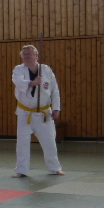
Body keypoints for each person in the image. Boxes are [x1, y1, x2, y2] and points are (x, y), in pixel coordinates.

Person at [12, 44, 64, 178]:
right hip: (25, 113)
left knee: (49, 141)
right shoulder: (18, 69)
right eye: (24, 55)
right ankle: (21, 170)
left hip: (44, 112)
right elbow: (18, 81)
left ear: (36, 55)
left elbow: (54, 90)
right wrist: (32, 83)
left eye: (29, 54)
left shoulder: (46, 70)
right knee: (22, 143)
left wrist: (56, 108)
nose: (26, 56)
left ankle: (55, 168)